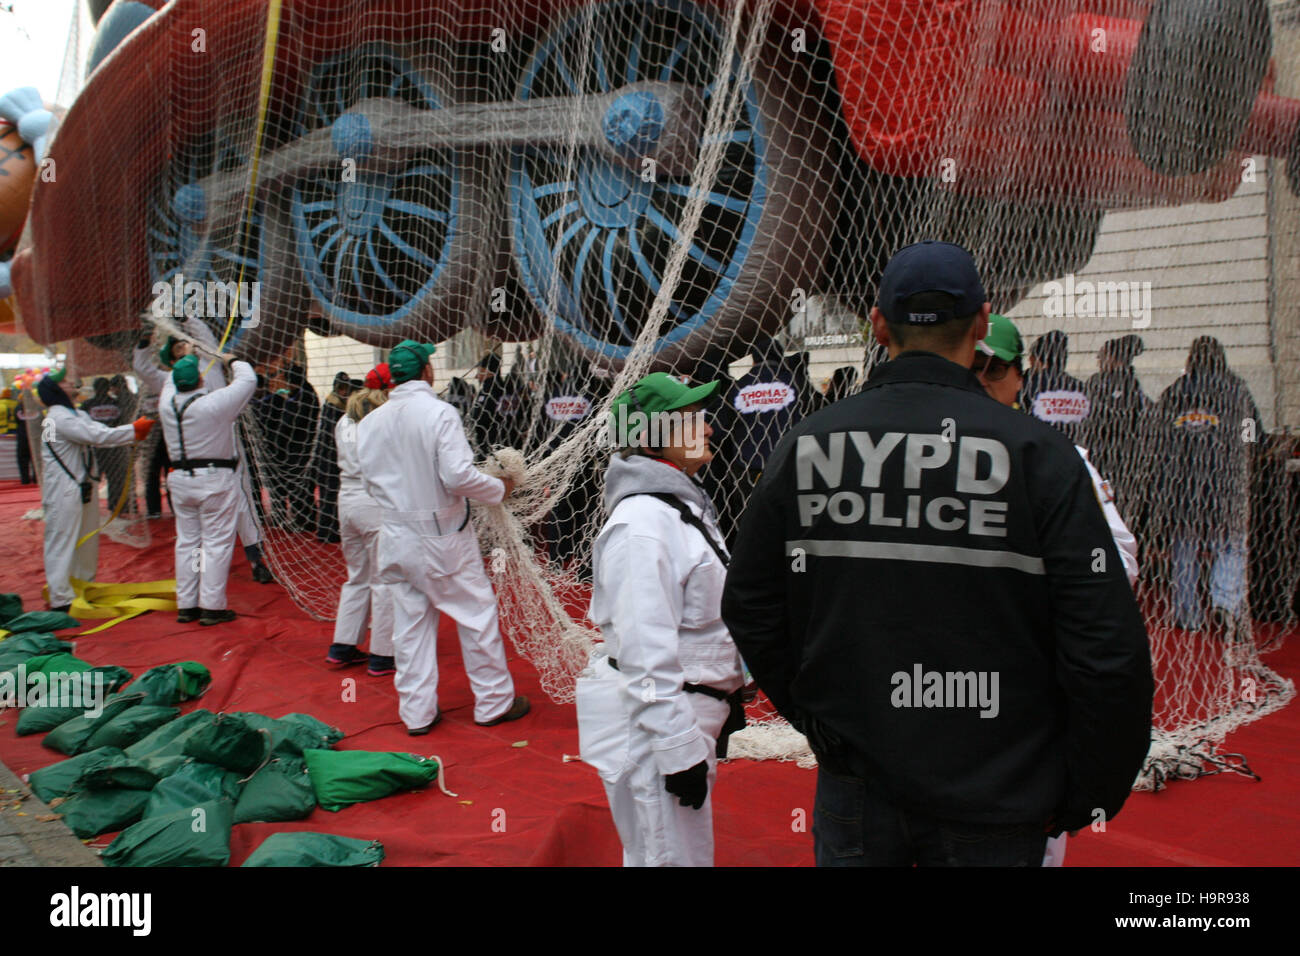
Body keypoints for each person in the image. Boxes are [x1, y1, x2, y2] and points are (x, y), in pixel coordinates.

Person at [721, 240, 1153, 867]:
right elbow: (1106, 651)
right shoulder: (1041, 456)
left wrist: (826, 722)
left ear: (876, 324)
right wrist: (1089, 789)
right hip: (998, 787)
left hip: (861, 783)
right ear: (981, 324)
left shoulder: (809, 444)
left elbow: (751, 605)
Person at [973, 312, 1142, 869]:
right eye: (971, 365)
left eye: (993, 368)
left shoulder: (1059, 459)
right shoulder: (918, 451)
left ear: (1020, 376)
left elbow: (1120, 561)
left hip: (1023, 692)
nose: (981, 378)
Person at [577, 372, 745, 867]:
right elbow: (644, 654)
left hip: (676, 717)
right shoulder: (644, 526)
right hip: (656, 730)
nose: (708, 427)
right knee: (669, 859)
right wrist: (676, 749)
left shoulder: (673, 505)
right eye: (692, 418)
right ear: (654, 438)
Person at [356, 340, 529, 734]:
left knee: (411, 626)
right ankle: (493, 703)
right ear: (427, 371)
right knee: (476, 614)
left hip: (396, 535)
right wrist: (497, 488)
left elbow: (370, 483)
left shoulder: (369, 423)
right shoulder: (439, 412)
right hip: (441, 535)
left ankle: (417, 714)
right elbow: (456, 476)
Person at [1140, 336, 1261, 636]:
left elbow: (1157, 440)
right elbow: (1251, 435)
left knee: (1184, 549)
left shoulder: (1175, 393)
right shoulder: (1237, 391)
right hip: (1225, 483)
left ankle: (1187, 613)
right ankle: (1225, 603)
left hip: (1184, 486)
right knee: (1231, 545)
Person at [37, 369, 154, 612]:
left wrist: (132, 431)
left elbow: (97, 432)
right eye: (66, 381)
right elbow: (97, 436)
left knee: (85, 540)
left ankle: (82, 585)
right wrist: (133, 431)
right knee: (62, 540)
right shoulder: (60, 418)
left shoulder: (74, 413)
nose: (73, 382)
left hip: (82, 486)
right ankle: (61, 598)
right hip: (64, 489)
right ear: (57, 390)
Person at [159, 353, 257, 625]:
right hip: (214, 479)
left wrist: (180, 358)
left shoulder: (166, 402)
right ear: (201, 379)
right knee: (215, 545)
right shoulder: (214, 403)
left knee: (187, 544)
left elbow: (171, 379)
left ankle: (186, 604)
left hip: (180, 479)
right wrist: (233, 359)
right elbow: (248, 379)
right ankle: (212, 606)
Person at [326, 363, 396, 676]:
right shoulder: (382, 419)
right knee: (384, 580)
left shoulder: (345, 419)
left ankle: (342, 647)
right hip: (373, 501)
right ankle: (383, 654)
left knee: (358, 577)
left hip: (347, 500)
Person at [1082, 334, 1150, 518]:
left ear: (1112, 357)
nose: (1099, 360)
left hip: (1101, 457)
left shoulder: (1099, 383)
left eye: (1101, 356)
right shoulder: (1134, 384)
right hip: (1126, 460)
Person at [1018, 329, 1091, 445]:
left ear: (1036, 359)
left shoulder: (1026, 385)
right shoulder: (1078, 387)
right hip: (1071, 448)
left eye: (1031, 357)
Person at [315, 371, 357, 544]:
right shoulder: (337, 409)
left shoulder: (330, 404)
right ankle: (328, 531)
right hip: (330, 458)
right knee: (330, 495)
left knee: (328, 495)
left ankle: (326, 529)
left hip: (326, 456)